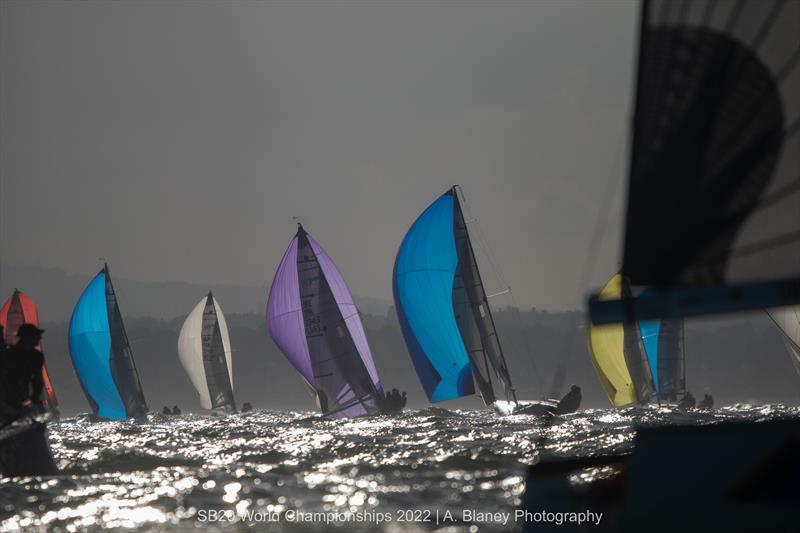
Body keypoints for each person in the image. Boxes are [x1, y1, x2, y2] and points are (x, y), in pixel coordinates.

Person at [0, 323, 45, 415]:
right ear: (27, 337)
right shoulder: (9, 355)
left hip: (20, 397)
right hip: (8, 397)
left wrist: (35, 399)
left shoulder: (37, 356)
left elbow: (38, 380)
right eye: (36, 335)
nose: (39, 338)